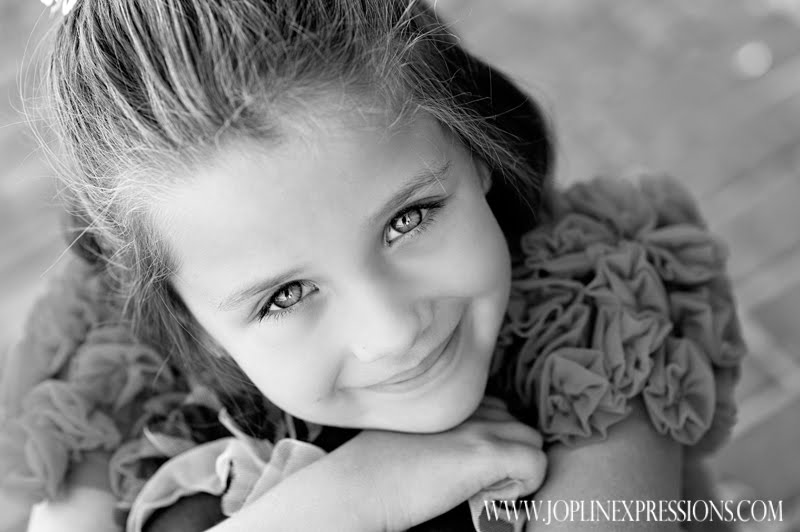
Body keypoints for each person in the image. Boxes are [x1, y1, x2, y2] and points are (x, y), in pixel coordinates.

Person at [1, 0, 746, 531]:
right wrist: (345, 501)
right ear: (194, 326)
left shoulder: (600, 331)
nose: (391, 331)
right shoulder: (113, 375)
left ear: (475, 149)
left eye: (408, 219)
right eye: (286, 295)